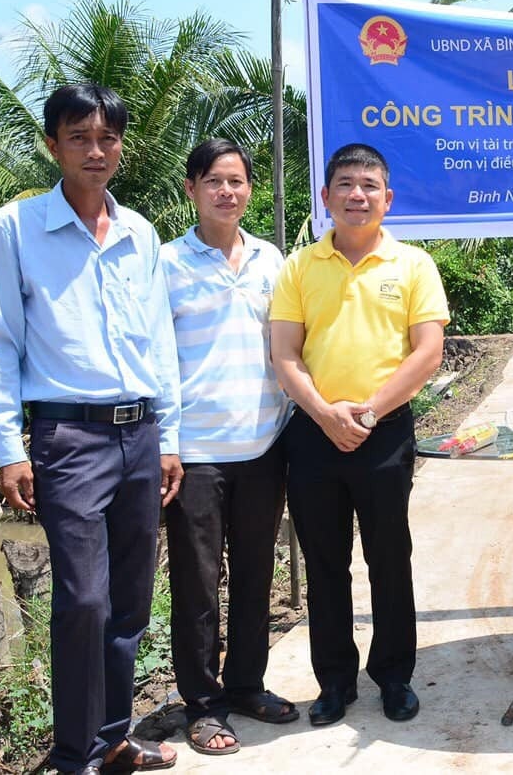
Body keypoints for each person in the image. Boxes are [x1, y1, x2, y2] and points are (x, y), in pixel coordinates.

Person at [0, 83, 181, 774]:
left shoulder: (140, 233)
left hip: (141, 433)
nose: (95, 151)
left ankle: (114, 740)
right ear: (52, 145)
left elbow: (159, 342)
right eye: (79, 138)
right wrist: (10, 448)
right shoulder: (16, 229)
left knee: (129, 603)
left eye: (107, 138)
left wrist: (170, 437)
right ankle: (75, 757)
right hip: (68, 439)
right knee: (84, 602)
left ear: (121, 145)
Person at [270, 143, 449, 727]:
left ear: (387, 198)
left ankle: (394, 677)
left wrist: (367, 414)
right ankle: (335, 684)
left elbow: (427, 353)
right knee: (325, 564)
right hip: (314, 436)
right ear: (325, 197)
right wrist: (325, 414)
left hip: (385, 434)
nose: (356, 195)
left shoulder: (414, 265)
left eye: (369, 185)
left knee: (389, 559)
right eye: (345, 184)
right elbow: (285, 354)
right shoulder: (298, 267)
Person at [160, 139, 297, 755]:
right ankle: (204, 704)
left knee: (253, 573)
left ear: (249, 189)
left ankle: (246, 685)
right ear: (192, 189)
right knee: (195, 583)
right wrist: (165, 444)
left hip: (264, 443)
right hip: (196, 451)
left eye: (237, 181)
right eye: (214, 180)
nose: (227, 192)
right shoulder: (165, 264)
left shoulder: (273, 259)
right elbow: (154, 360)